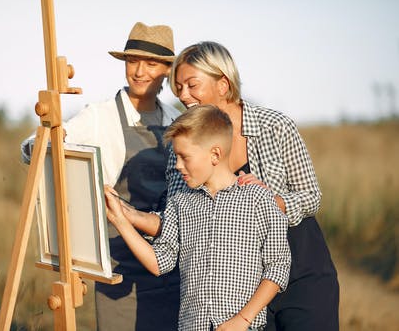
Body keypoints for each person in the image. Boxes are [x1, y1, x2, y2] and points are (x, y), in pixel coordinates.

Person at [127, 41, 338, 330]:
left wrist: (267, 202)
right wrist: (129, 216)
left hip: (301, 270)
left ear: (223, 85)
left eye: (192, 85)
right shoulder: (186, 148)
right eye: (178, 88)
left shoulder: (275, 126)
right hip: (239, 289)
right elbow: (177, 219)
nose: (183, 96)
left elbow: (311, 196)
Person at [21, 22, 181, 331]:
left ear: (166, 70)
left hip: (172, 261)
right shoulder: (100, 115)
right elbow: (39, 144)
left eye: (151, 63)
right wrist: (43, 143)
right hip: (119, 263)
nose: (139, 71)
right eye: (132, 61)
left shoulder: (179, 120)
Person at [104, 104, 291, 331]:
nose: (178, 165)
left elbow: (278, 266)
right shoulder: (179, 203)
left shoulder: (259, 199)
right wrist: (121, 222)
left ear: (215, 154)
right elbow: (159, 263)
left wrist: (242, 320)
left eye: (184, 157)